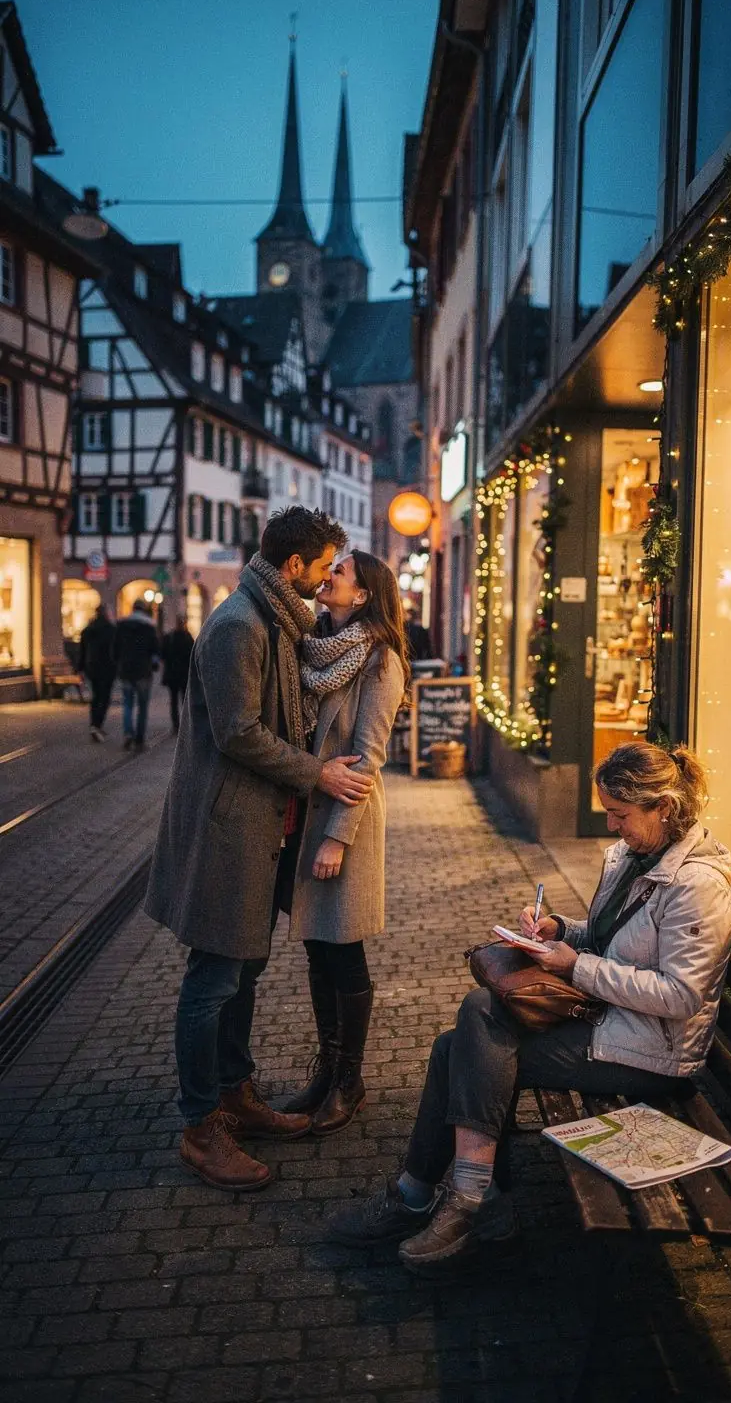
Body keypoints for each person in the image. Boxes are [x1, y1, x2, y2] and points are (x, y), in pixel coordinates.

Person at [328, 741, 731, 1272]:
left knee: (470, 1037)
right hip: (612, 1023)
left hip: (654, 1054)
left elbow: (680, 995)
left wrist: (576, 967)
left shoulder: (697, 886)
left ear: (663, 807)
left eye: (620, 814)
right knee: (466, 1040)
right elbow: (613, 937)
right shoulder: (635, 856)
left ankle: (452, 1200)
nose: (612, 826)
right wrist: (560, 930)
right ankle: (458, 1200)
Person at [144, 507, 376, 1193]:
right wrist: (318, 773)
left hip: (259, 831)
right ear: (294, 565)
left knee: (242, 972)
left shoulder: (276, 620)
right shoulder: (240, 626)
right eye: (324, 565)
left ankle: (234, 1093)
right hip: (228, 829)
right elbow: (238, 731)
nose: (328, 576)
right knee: (212, 979)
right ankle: (200, 1127)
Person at [281, 550, 410, 1135]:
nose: (328, 574)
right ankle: (327, 1069)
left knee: (343, 949)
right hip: (307, 812)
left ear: (361, 596)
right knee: (317, 946)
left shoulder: (381, 660)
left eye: (340, 571)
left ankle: (350, 1082)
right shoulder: (314, 647)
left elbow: (369, 756)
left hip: (344, 819)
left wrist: (336, 839)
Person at [112, 598, 160, 750]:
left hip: (126, 670)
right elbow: (155, 649)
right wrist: (154, 664)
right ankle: (139, 739)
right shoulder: (149, 627)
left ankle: (128, 733)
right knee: (143, 706)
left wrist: (119, 663)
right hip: (143, 671)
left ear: (132, 609)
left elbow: (115, 649)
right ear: (144, 610)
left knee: (127, 703)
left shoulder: (122, 626)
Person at [77, 603, 116, 742]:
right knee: (105, 698)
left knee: (96, 696)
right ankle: (97, 725)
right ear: (106, 613)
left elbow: (82, 651)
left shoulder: (88, 629)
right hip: (108, 668)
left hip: (92, 668)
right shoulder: (111, 629)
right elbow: (116, 650)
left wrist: (80, 668)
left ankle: (94, 725)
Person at [162, 615, 194, 733]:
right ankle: (184, 725)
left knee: (174, 700)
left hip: (172, 675)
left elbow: (163, 654)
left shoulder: (170, 637)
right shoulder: (188, 637)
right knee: (184, 701)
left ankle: (176, 725)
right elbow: (192, 655)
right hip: (184, 675)